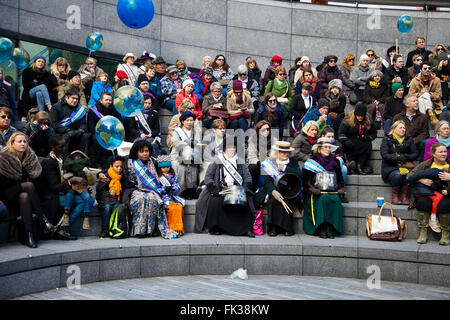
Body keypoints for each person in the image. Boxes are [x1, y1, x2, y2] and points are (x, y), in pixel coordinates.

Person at [0, 132, 56, 248]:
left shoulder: (30, 158)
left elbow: (36, 179)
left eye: (25, 141)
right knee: (28, 186)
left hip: (21, 194)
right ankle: (43, 219)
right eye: (19, 141)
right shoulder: (4, 158)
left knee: (24, 196)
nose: (23, 144)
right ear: (12, 144)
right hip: (6, 193)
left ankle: (29, 235)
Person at [123, 139, 178, 238]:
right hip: (135, 189)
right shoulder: (130, 163)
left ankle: (150, 230)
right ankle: (138, 230)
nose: (145, 154)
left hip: (152, 190)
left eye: (146, 151)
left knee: (153, 199)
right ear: (136, 152)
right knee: (141, 198)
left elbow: (162, 175)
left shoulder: (153, 162)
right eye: (142, 151)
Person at [202, 136, 255, 237]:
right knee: (215, 200)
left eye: (234, 147)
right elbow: (208, 177)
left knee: (247, 199)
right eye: (229, 147)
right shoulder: (217, 160)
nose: (232, 149)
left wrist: (244, 189)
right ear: (224, 149)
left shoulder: (240, 161)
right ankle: (216, 227)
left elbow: (248, 177)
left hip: (237, 189)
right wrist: (215, 190)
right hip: (222, 189)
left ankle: (247, 229)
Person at [406, 142, 450, 245]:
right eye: (440, 152)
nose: (444, 154)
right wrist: (421, 180)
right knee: (422, 201)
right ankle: (423, 231)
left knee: (445, 204)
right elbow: (409, 176)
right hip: (429, 193)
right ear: (433, 154)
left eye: (445, 151)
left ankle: (446, 233)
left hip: (447, 193)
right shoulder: (425, 165)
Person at [35, 135, 76, 240]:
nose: (64, 149)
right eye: (60, 147)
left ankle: (60, 228)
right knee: (79, 201)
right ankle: (60, 229)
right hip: (51, 196)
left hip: (61, 192)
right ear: (52, 147)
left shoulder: (61, 158)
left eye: (64, 146)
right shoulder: (49, 162)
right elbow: (54, 187)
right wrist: (71, 181)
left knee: (86, 200)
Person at [302, 137, 345, 238]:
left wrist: (341, 188)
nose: (328, 149)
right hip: (316, 193)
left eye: (329, 147)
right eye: (325, 147)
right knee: (323, 199)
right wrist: (312, 189)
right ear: (319, 148)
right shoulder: (311, 162)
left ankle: (330, 227)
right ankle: (321, 228)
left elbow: (340, 180)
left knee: (335, 200)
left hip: (331, 191)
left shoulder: (336, 162)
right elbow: (306, 183)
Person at [257, 141, 302, 236]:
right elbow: (266, 181)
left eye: (287, 152)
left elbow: (299, 175)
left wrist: (285, 168)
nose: (285, 154)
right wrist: (273, 191)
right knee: (273, 200)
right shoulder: (270, 162)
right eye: (282, 152)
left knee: (286, 200)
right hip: (274, 190)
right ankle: (273, 228)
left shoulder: (293, 161)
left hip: (290, 190)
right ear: (277, 152)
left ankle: (287, 228)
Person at [380, 120, 419, 205]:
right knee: (398, 175)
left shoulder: (409, 139)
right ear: (394, 129)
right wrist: (397, 158)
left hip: (405, 166)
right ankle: (395, 196)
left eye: (404, 128)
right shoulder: (387, 139)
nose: (403, 130)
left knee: (409, 175)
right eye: (400, 128)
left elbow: (415, 153)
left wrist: (406, 157)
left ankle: (404, 196)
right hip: (390, 167)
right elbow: (384, 155)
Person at [60, 150, 96, 231]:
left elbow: (92, 182)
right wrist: (68, 177)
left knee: (89, 199)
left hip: (82, 189)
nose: (77, 158)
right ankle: (65, 222)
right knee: (86, 200)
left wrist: (87, 173)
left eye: (80, 157)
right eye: (75, 156)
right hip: (70, 190)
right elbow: (61, 183)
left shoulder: (85, 168)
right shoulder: (68, 167)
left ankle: (67, 226)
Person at [170, 111, 201, 199]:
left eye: (191, 120)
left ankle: (191, 191)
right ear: (183, 121)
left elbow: (198, 144)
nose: (189, 122)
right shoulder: (177, 131)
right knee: (181, 167)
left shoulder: (196, 132)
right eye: (187, 120)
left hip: (192, 156)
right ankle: (182, 191)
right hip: (178, 156)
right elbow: (176, 144)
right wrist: (187, 143)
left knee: (193, 166)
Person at [338, 104, 377, 174]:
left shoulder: (369, 120)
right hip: (350, 141)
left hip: (362, 141)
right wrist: (345, 140)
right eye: (358, 116)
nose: (360, 118)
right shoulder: (348, 119)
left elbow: (374, 134)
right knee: (350, 144)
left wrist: (367, 137)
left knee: (367, 145)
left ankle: (360, 165)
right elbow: (340, 133)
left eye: (362, 116)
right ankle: (351, 163)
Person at [50, 88, 90, 157]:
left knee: (86, 136)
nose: (75, 100)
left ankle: (81, 158)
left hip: (76, 131)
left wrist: (80, 130)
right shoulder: (56, 107)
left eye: (77, 99)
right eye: (73, 98)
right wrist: (67, 130)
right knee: (66, 137)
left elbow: (83, 123)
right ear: (66, 97)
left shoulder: (80, 109)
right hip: (61, 132)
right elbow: (54, 124)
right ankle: (64, 160)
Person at [87, 92, 121, 169]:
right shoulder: (93, 111)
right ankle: (98, 162)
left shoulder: (114, 110)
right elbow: (91, 126)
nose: (108, 102)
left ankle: (115, 161)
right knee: (96, 139)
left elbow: (118, 123)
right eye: (106, 100)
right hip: (98, 133)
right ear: (100, 100)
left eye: (110, 100)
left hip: (111, 132)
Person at [393, 94, 430, 161]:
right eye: (414, 101)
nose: (417, 102)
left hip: (417, 142)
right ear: (407, 104)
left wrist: (414, 141)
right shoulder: (397, 117)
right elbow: (395, 132)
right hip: (403, 142)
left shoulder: (423, 117)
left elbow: (425, 133)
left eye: (417, 101)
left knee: (427, 142)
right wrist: (407, 141)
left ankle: (422, 165)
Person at [96, 156, 125, 238]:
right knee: (107, 208)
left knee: (116, 207)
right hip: (105, 200)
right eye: (117, 166)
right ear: (111, 166)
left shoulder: (121, 176)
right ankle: (104, 230)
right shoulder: (106, 176)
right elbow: (99, 190)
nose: (119, 168)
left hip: (116, 199)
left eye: (121, 166)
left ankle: (113, 228)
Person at [156, 154, 185, 235]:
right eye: (163, 167)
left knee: (179, 207)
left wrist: (174, 188)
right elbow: (156, 188)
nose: (166, 169)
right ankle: (172, 228)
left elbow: (177, 186)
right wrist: (164, 189)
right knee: (172, 209)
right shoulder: (158, 177)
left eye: (167, 167)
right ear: (160, 168)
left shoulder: (172, 176)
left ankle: (178, 229)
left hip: (172, 196)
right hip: (164, 198)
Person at [247, 120, 278, 192]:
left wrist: (266, 162)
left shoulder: (274, 140)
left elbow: (274, 155)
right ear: (258, 131)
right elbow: (251, 157)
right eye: (263, 130)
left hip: (270, 164)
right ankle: (253, 189)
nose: (266, 131)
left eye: (268, 129)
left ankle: (271, 190)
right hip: (258, 164)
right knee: (251, 167)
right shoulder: (252, 140)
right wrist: (260, 162)